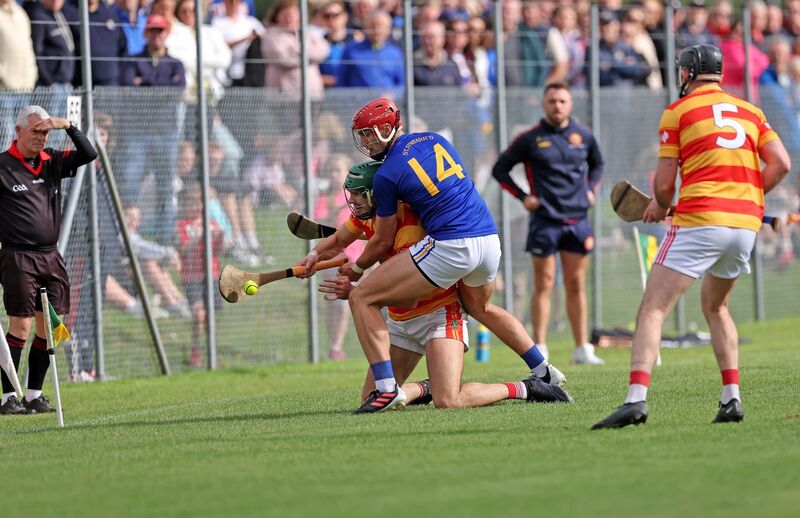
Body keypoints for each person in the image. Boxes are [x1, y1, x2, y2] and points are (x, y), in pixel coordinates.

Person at [311, 97, 564, 413]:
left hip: (451, 246)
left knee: (362, 298)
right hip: (487, 238)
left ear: (389, 129)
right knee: (481, 306)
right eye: (361, 135)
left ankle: (388, 389)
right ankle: (543, 370)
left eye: (369, 134)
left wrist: (357, 271)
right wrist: (314, 254)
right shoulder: (434, 139)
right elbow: (344, 234)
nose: (364, 141)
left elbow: (381, 242)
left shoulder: (388, 177)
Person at [592, 44, 791, 429]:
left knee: (653, 308)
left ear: (687, 73)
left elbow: (665, 184)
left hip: (700, 220)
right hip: (745, 226)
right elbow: (781, 164)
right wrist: (746, 196)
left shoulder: (678, 111)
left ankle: (635, 400)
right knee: (716, 308)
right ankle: (731, 397)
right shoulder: (752, 111)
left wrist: (661, 205)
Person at [491, 82, 605, 366]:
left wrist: (591, 189)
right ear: (543, 104)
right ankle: (540, 346)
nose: (558, 106)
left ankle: (582, 349)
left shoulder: (584, 136)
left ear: (570, 104)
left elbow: (598, 165)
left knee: (576, 283)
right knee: (543, 283)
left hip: (578, 219)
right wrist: (523, 197)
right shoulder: (530, 138)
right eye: (552, 101)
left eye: (563, 101)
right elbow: (500, 169)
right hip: (545, 221)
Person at [0, 105, 97, 414]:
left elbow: (88, 153)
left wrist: (65, 125)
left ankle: (33, 393)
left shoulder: (52, 161)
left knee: (48, 327)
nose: (41, 138)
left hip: (50, 256)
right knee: (21, 325)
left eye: (44, 132)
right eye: (35, 132)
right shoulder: (2, 166)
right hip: (17, 257)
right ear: (17, 132)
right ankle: (7, 397)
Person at [176, 184, 225, 368]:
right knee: (199, 314)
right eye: (191, 203)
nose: (196, 208)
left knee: (210, 315)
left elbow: (218, 252)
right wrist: (199, 237)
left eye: (199, 204)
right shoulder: (182, 225)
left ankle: (211, 351)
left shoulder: (211, 224)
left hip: (211, 274)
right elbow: (183, 249)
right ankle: (196, 348)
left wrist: (219, 237)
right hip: (192, 277)